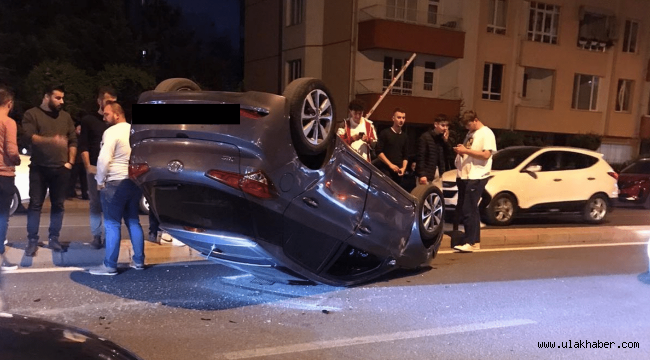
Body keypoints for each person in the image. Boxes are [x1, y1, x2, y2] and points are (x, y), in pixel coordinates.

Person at [89, 102, 145, 275]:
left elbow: (104, 158)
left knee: (112, 224)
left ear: (117, 114)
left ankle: (110, 265)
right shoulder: (136, 131)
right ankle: (139, 261)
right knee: (133, 221)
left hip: (114, 182)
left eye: (106, 114)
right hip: (133, 182)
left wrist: (100, 179)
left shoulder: (111, 132)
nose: (104, 117)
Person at [22, 84, 77, 256]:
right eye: (58, 98)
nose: (62, 101)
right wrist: (52, 141)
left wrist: (70, 162)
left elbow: (73, 140)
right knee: (35, 205)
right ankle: (32, 240)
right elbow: (29, 137)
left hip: (60, 169)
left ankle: (54, 239)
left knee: (58, 206)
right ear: (46, 97)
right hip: (39, 168)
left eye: (62, 98)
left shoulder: (65, 117)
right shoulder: (32, 114)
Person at [78, 87, 117, 249]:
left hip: (112, 168)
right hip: (94, 167)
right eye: (107, 101)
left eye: (113, 102)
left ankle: (110, 236)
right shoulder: (88, 120)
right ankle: (96, 236)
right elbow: (84, 144)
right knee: (94, 204)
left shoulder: (115, 121)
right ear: (99, 101)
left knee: (110, 203)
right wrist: (87, 166)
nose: (110, 105)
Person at [453, 110, 496, 253]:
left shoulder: (486, 133)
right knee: (471, 209)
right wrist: (461, 150)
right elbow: (469, 150)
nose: (467, 128)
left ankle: (470, 241)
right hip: (467, 174)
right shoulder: (471, 134)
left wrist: (465, 151)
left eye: (469, 124)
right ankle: (474, 240)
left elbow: (486, 155)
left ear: (476, 120)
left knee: (468, 208)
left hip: (478, 174)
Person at [0, 86, 21, 270]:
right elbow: (11, 150)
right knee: (2, 216)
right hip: (3, 174)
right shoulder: (8, 122)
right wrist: (17, 160)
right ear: (9, 103)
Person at [375, 108, 408, 185]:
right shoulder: (385, 133)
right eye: (399, 117)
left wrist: (403, 168)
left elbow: (405, 156)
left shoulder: (404, 136)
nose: (401, 120)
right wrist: (390, 165)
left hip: (399, 172)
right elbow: (379, 152)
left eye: (403, 118)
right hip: (386, 170)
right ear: (393, 118)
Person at [416, 114, 450, 185]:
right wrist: (422, 174)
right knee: (424, 195)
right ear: (435, 125)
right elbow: (420, 157)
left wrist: (446, 141)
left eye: (447, 126)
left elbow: (449, 156)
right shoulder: (425, 137)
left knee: (437, 194)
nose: (445, 128)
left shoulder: (442, 139)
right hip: (426, 174)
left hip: (438, 173)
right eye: (443, 125)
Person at [67, 120, 88, 200]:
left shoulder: (83, 138)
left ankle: (84, 194)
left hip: (82, 161)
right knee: (73, 178)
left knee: (84, 180)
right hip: (76, 161)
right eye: (78, 129)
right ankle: (70, 193)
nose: (80, 131)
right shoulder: (74, 138)